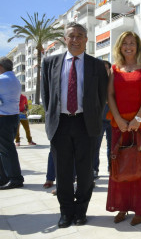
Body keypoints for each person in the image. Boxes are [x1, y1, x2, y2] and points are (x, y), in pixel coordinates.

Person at [41, 22, 108, 228]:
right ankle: (66, 212)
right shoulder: (50, 62)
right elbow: (46, 95)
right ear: (65, 39)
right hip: (60, 124)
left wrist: (94, 117)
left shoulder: (96, 65)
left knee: (85, 171)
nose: (76, 39)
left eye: (80, 35)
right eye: (72, 35)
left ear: (86, 40)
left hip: (85, 124)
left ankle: (81, 211)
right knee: (62, 172)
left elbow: (102, 95)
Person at [105, 31, 141, 226]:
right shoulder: (114, 69)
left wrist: (137, 118)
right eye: (125, 43)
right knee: (120, 164)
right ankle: (121, 205)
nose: (129, 46)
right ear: (119, 46)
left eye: (132, 43)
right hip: (119, 124)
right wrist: (118, 119)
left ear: (138, 46)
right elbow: (110, 95)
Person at [0, 57, 24, 190]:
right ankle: (5, 177)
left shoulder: (2, 79)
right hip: (13, 117)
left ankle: (15, 179)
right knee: (5, 150)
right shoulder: (14, 79)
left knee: (7, 150)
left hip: (3, 118)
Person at [93, 60, 112, 178]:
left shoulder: (114, 82)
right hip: (99, 120)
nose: (105, 70)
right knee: (96, 146)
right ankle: (94, 169)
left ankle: (112, 168)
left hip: (113, 120)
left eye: (107, 68)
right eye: (102, 68)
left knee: (113, 146)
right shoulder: (95, 82)